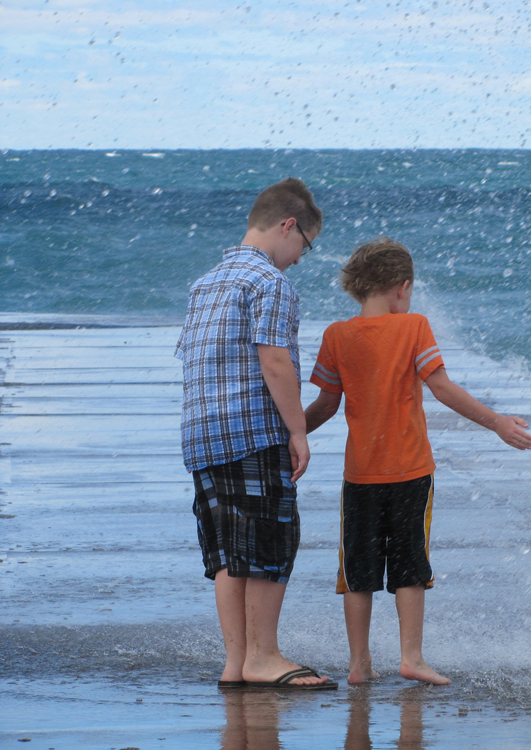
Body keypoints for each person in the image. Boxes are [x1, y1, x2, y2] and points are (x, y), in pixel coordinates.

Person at [304, 237, 531, 686]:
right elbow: (443, 388)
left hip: (360, 476)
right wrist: (497, 423)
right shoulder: (413, 327)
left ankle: (359, 664)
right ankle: (411, 657)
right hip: (410, 471)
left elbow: (324, 406)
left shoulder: (337, 335)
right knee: (410, 565)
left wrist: (286, 436)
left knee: (358, 571)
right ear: (402, 288)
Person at [175, 178, 336, 690]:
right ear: (288, 225)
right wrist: (298, 431)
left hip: (202, 435)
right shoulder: (268, 282)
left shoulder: (206, 282)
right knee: (271, 541)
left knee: (228, 551)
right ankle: (264, 656)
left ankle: (237, 662)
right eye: (304, 247)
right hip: (252, 431)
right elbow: (274, 359)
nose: (298, 259)